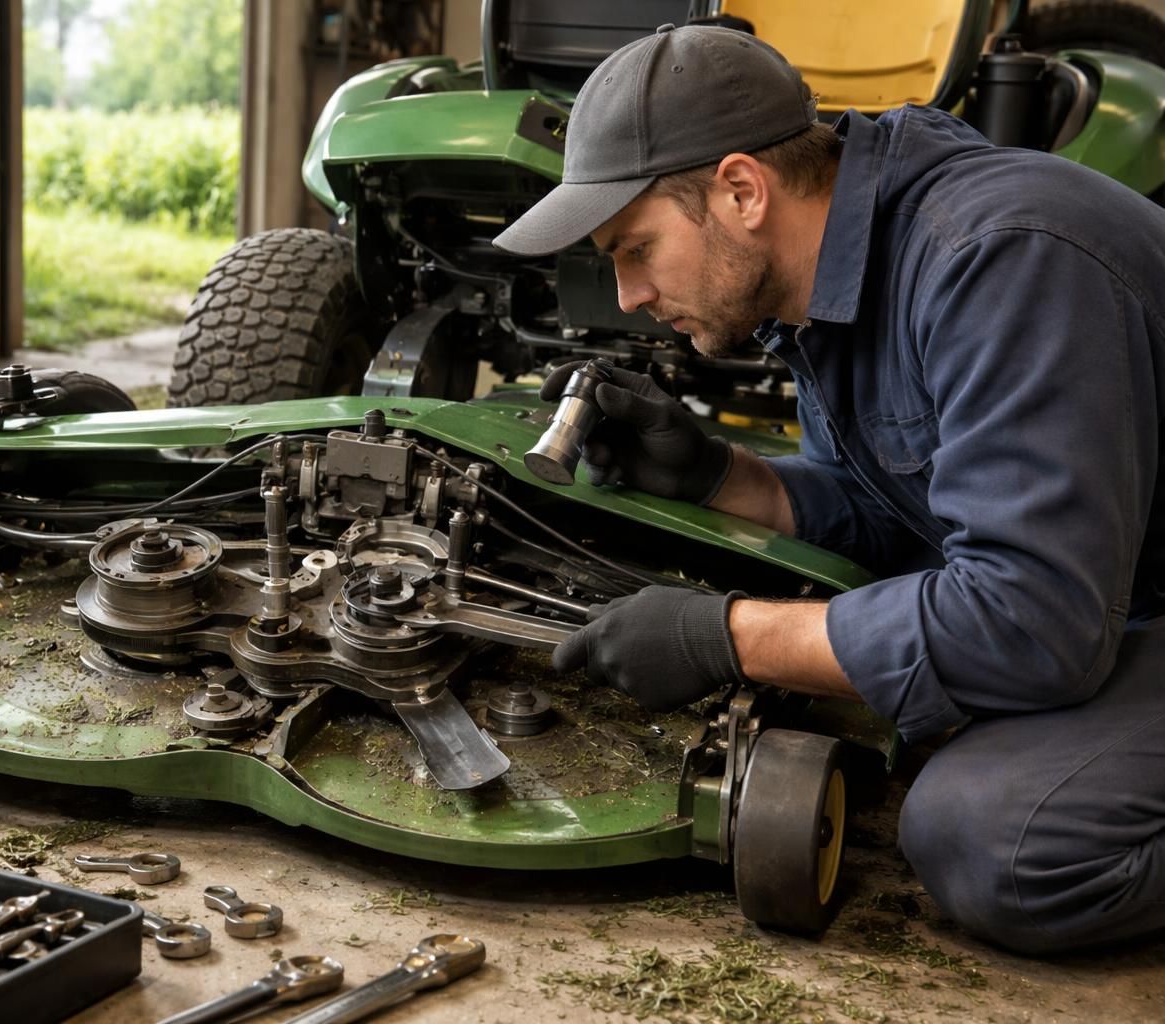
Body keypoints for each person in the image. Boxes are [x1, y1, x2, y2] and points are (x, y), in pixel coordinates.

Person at [494, 23, 1165, 955]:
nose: (630, 295)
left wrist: (727, 636)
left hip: (1102, 607)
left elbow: (1030, 622)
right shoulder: (827, 277)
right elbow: (906, 517)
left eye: (636, 247)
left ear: (740, 189)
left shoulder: (1000, 259)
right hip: (1114, 590)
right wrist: (726, 479)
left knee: (999, 837)